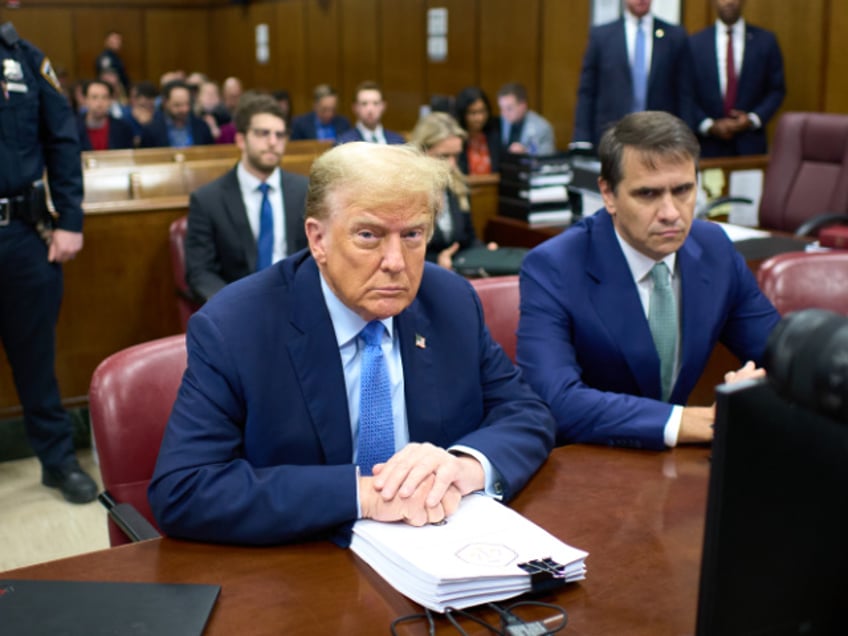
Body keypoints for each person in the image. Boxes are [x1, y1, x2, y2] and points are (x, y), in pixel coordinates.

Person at [148, 142, 556, 545]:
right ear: (318, 239)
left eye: (412, 234)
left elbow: (525, 412)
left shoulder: (450, 301)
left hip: (442, 548)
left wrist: (463, 467)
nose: (395, 261)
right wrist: (363, 496)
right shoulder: (236, 326)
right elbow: (184, 488)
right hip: (304, 569)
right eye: (368, 235)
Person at [517, 111, 780, 450]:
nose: (671, 212)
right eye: (648, 194)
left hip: (676, 466)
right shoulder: (553, 266)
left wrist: (757, 385)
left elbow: (776, 351)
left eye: (683, 190)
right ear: (608, 194)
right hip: (587, 464)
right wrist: (688, 421)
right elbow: (554, 399)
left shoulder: (715, 249)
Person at [0, 21, 97, 503]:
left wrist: (70, 220)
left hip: (20, 232)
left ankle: (57, 462)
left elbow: (62, 140)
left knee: (36, 358)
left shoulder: (26, 60)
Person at [184, 94, 308, 302]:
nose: (272, 142)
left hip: (298, 302)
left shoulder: (305, 190)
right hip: (238, 308)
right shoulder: (207, 199)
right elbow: (200, 273)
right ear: (240, 139)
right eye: (263, 133)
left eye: (280, 135)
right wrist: (235, 306)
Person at [571, 0, 690, 151]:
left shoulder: (674, 36)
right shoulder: (601, 36)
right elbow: (587, 91)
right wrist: (582, 137)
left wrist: (686, 136)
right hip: (612, 136)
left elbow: (685, 93)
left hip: (660, 137)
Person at [685, 0, 785, 157]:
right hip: (708, 146)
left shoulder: (766, 41)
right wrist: (709, 125)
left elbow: (776, 90)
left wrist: (752, 119)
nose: (729, 2)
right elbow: (685, 93)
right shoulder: (694, 43)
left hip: (750, 145)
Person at [408, 112, 496, 268]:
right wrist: (436, 263)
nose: (451, 165)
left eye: (456, 156)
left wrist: (484, 252)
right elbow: (403, 250)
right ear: (421, 152)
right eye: (443, 156)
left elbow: (468, 239)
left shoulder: (457, 185)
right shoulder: (406, 193)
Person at [139, 79, 214, 148]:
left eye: (187, 104)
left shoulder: (201, 126)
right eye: (178, 105)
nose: (184, 109)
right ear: (165, 102)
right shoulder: (151, 130)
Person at [336, 81, 405, 145]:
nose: (370, 109)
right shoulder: (344, 143)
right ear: (355, 108)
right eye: (364, 104)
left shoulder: (398, 141)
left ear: (383, 106)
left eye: (375, 103)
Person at [496, 83, 555, 155]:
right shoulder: (500, 122)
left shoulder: (542, 127)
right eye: (502, 109)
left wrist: (526, 152)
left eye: (509, 108)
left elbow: (547, 157)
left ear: (523, 105)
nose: (504, 114)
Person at [454, 86, 501, 175]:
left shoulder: (495, 132)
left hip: (492, 187)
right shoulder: (456, 138)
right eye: (473, 113)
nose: (480, 118)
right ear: (463, 113)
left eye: (483, 111)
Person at [76, 79, 134, 151]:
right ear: (85, 100)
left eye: (105, 97)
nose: (100, 103)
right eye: (94, 97)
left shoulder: (123, 128)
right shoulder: (73, 128)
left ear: (110, 101)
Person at [94, 30, 130, 94]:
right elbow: (107, 78)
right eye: (113, 40)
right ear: (107, 42)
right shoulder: (105, 58)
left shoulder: (116, 57)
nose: (117, 42)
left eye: (118, 40)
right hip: (112, 91)